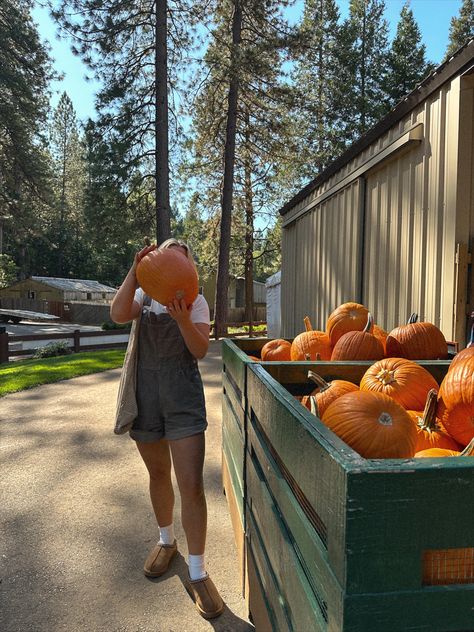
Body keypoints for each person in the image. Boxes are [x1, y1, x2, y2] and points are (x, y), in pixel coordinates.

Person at [110, 238, 224, 620]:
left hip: (183, 399)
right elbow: (117, 313)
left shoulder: (198, 303)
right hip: (147, 397)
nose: (172, 260)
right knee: (158, 474)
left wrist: (181, 318)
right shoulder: (144, 297)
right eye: (166, 253)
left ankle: (198, 571)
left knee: (190, 484)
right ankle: (165, 542)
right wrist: (134, 268)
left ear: (188, 267)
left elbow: (200, 350)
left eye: (180, 256)